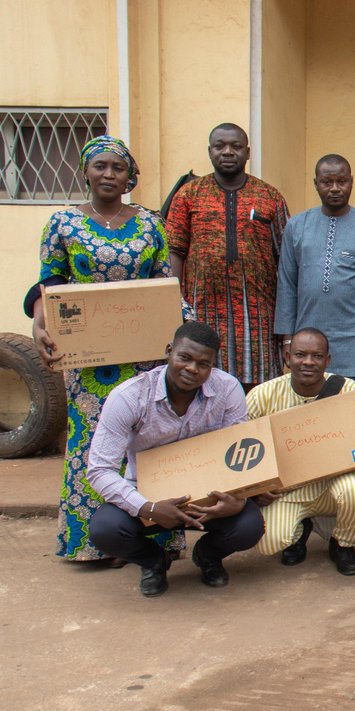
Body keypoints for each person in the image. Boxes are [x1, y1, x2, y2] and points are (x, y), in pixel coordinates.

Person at [24, 135, 188, 564]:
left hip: (145, 357)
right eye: (101, 166)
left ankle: (152, 538)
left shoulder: (150, 224)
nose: (110, 174)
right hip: (90, 360)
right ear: (86, 171)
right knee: (93, 444)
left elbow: (166, 287)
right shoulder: (63, 224)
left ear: (129, 175)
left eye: (118, 167)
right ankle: (94, 541)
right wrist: (40, 322)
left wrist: (189, 329)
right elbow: (50, 283)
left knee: (147, 441)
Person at [86, 323, 265, 597]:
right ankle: (152, 561)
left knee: (249, 526)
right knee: (105, 530)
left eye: (203, 364)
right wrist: (148, 507)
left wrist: (238, 498)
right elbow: (99, 471)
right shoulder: (128, 398)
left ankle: (208, 556)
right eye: (185, 357)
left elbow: (240, 452)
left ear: (213, 366)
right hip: (148, 497)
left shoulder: (228, 390)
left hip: (208, 497)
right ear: (169, 351)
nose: (192, 369)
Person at [245, 327, 355, 576]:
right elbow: (244, 452)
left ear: (327, 360)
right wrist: (255, 489)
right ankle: (299, 530)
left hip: (334, 484)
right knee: (269, 543)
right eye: (300, 355)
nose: (308, 362)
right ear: (287, 357)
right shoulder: (262, 396)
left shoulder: (350, 391)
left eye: (317, 356)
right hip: (287, 490)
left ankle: (342, 544)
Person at [166, 122, 290, 390]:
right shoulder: (188, 195)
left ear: (248, 152)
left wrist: (287, 322)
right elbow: (175, 250)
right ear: (209, 151)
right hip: (201, 311)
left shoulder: (269, 196)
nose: (227, 152)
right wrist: (174, 305)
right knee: (202, 384)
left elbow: (287, 260)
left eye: (235, 146)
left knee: (258, 390)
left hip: (258, 315)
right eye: (219, 146)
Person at [275, 154, 355, 420]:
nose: (335, 188)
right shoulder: (296, 226)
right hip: (307, 342)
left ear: (352, 182)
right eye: (327, 182)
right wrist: (287, 339)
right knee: (310, 419)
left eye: (341, 181)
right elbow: (287, 284)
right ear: (316, 184)